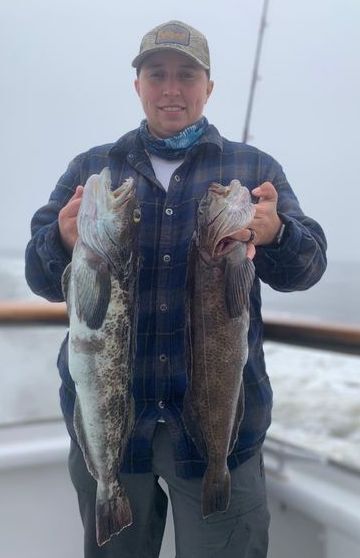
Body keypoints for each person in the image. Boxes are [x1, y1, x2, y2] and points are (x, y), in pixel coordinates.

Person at [25, 20, 327, 558]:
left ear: (208, 87)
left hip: (220, 434)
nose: (171, 89)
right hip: (112, 430)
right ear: (136, 85)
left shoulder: (254, 169)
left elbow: (306, 268)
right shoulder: (93, 169)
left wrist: (274, 232)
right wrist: (63, 238)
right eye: (156, 74)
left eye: (187, 75)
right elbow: (41, 277)